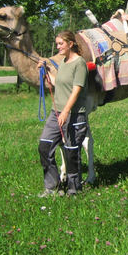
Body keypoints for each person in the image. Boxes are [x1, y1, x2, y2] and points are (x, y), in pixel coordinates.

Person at [37, 31, 88, 197]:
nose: (58, 47)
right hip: (55, 113)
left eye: (61, 44)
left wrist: (66, 111)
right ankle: (52, 186)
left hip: (74, 115)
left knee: (71, 151)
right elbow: (59, 83)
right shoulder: (64, 62)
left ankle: (74, 189)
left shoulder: (79, 63)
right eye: (57, 44)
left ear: (70, 44)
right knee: (44, 146)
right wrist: (47, 71)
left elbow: (76, 89)